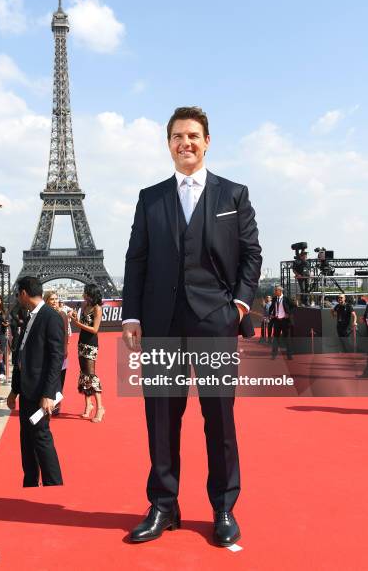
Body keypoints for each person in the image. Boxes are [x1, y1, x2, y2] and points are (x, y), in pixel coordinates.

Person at [122, 107, 262, 546]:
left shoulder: (233, 195)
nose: (187, 143)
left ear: (207, 141)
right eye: (178, 136)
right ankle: (164, 505)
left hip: (214, 321)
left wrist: (237, 306)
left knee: (219, 417)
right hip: (161, 323)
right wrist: (131, 314)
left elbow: (251, 254)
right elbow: (136, 259)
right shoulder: (150, 198)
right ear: (168, 144)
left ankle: (223, 507)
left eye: (194, 136)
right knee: (161, 417)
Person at [7, 276, 64, 487]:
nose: (16, 298)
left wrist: (48, 394)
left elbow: (57, 357)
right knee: (27, 440)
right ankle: (30, 482)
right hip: (28, 390)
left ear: (23, 293)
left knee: (40, 437)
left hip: (41, 392)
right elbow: (21, 354)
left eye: (17, 294)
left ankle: (54, 485)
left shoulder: (51, 317)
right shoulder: (30, 316)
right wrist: (15, 390)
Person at [70, 284, 105, 423]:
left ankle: (100, 408)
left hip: (91, 344)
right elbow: (81, 322)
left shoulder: (97, 308)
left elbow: (95, 329)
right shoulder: (84, 306)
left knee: (91, 375)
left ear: (91, 294)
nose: (83, 295)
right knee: (84, 374)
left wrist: (77, 324)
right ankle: (88, 405)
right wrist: (75, 317)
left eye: (85, 293)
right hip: (81, 343)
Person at [44, 290, 69, 413]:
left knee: (59, 380)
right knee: (50, 379)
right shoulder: (44, 314)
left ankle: (57, 405)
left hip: (60, 353)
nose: (54, 301)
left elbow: (65, 335)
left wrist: (64, 351)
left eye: (56, 299)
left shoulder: (62, 314)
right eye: (51, 299)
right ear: (46, 300)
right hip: (47, 353)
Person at [269, 286, 295, 360]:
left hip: (285, 321)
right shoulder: (274, 299)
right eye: (275, 290)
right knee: (275, 338)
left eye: (276, 290)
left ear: (280, 291)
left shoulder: (286, 299)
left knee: (287, 338)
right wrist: (271, 314)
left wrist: (288, 314)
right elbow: (271, 307)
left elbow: (294, 306)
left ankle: (289, 355)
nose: (275, 292)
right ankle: (274, 355)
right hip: (277, 321)